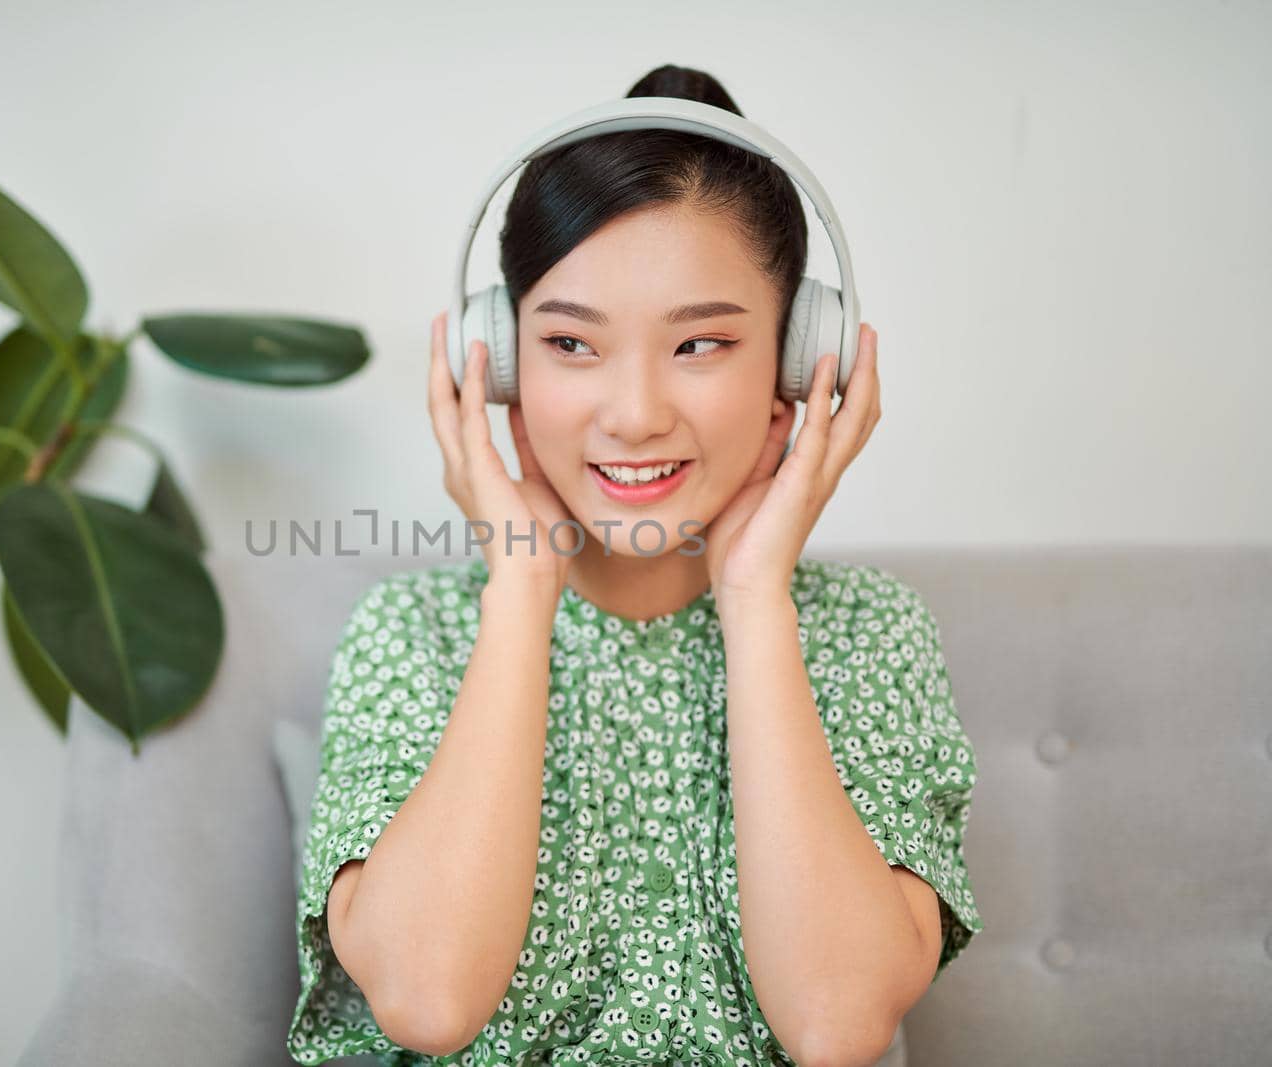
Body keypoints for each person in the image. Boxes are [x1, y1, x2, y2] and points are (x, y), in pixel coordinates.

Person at [287, 63, 984, 1067]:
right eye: (571, 343)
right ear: (499, 364)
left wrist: (754, 604)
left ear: (797, 365)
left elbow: (835, 1026)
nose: (635, 412)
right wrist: (522, 584)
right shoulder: (415, 632)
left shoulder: (868, 631)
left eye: (699, 343)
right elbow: (428, 1000)